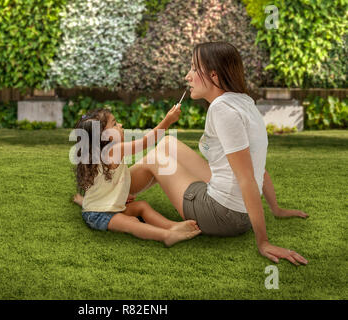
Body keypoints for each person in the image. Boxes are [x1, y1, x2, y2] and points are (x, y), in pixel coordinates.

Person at [127, 42, 309, 265]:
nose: (187, 76)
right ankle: (115, 190)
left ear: (213, 75)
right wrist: (276, 209)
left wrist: (263, 242)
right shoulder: (243, 101)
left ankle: (105, 193)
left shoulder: (222, 110)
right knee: (167, 145)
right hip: (235, 211)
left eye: (194, 69)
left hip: (222, 215)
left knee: (157, 159)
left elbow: (246, 177)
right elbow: (255, 164)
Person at [73, 107, 201, 247]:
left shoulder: (102, 154)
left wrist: (119, 196)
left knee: (142, 206)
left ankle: (172, 226)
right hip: (99, 215)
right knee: (132, 223)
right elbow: (145, 142)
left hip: (108, 208)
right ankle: (166, 236)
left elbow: (102, 186)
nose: (120, 125)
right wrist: (167, 121)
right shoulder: (113, 150)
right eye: (115, 124)